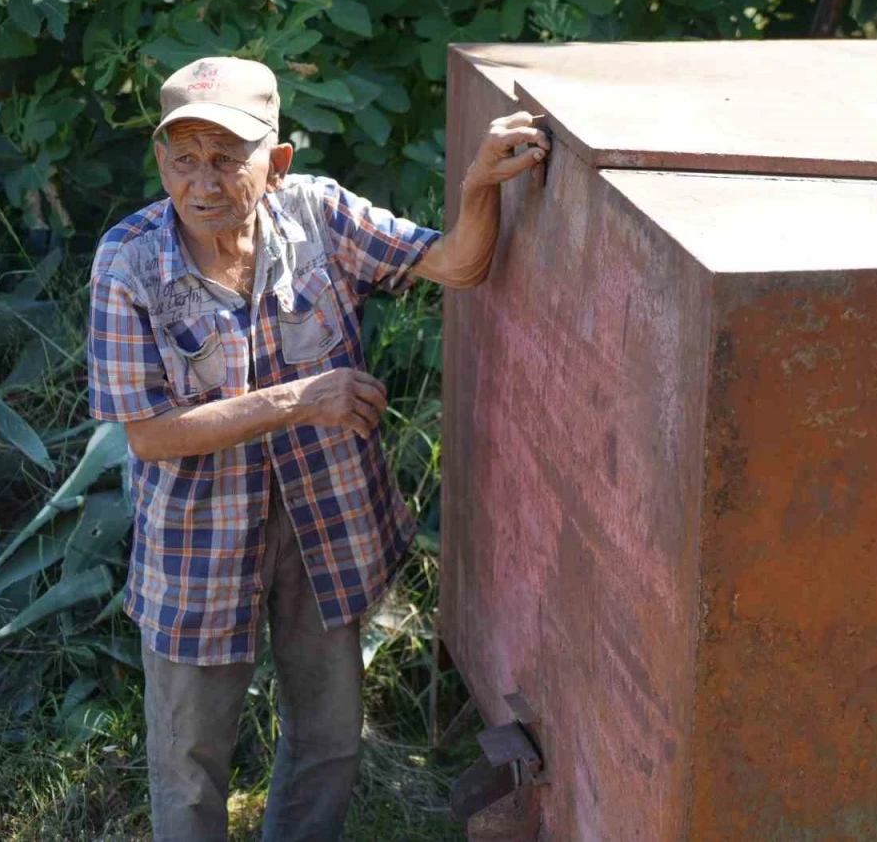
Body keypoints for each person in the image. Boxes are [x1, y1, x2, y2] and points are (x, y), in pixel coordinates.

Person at [85, 56, 547, 842]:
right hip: (197, 546)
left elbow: (458, 264)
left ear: (277, 161)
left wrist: (478, 186)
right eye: (183, 158)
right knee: (189, 761)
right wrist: (300, 399)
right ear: (160, 160)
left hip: (324, 524)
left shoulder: (317, 214)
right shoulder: (128, 263)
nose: (203, 182)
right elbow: (151, 434)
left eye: (226, 158)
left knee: (329, 737)